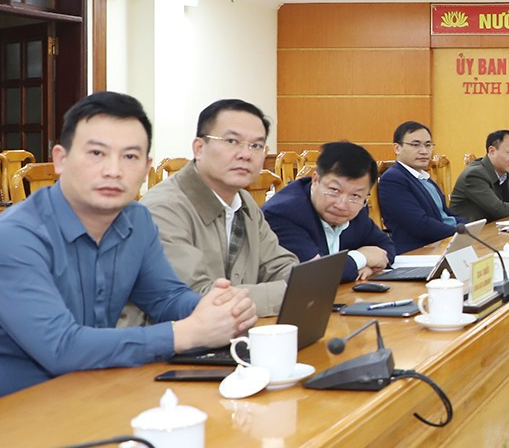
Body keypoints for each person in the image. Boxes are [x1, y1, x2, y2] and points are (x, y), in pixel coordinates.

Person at [0, 91, 257, 410]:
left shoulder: (137, 221)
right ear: (60, 160)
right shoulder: (15, 236)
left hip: (80, 388)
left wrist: (217, 309)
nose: (113, 170)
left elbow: (166, 298)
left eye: (130, 157)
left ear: (146, 167)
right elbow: (61, 347)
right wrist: (187, 333)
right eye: (96, 153)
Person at [135, 98, 298, 317]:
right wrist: (289, 292)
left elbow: (279, 266)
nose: (246, 154)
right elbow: (196, 299)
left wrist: (299, 283)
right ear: (199, 148)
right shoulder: (163, 209)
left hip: (235, 332)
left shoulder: (243, 201)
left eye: (256, 146)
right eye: (232, 141)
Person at [263, 141, 395, 282]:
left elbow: (385, 247)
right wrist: (362, 258)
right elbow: (315, 274)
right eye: (334, 190)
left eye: (355, 195)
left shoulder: (358, 209)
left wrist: (368, 267)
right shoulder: (283, 213)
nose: (342, 205)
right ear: (315, 180)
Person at [378, 121, 459, 254]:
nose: (424, 151)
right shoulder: (393, 179)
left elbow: (446, 214)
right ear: (397, 148)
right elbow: (419, 224)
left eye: (428, 145)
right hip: (418, 252)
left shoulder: (424, 177)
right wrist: (459, 233)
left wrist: (469, 227)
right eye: (415, 145)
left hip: (442, 243)